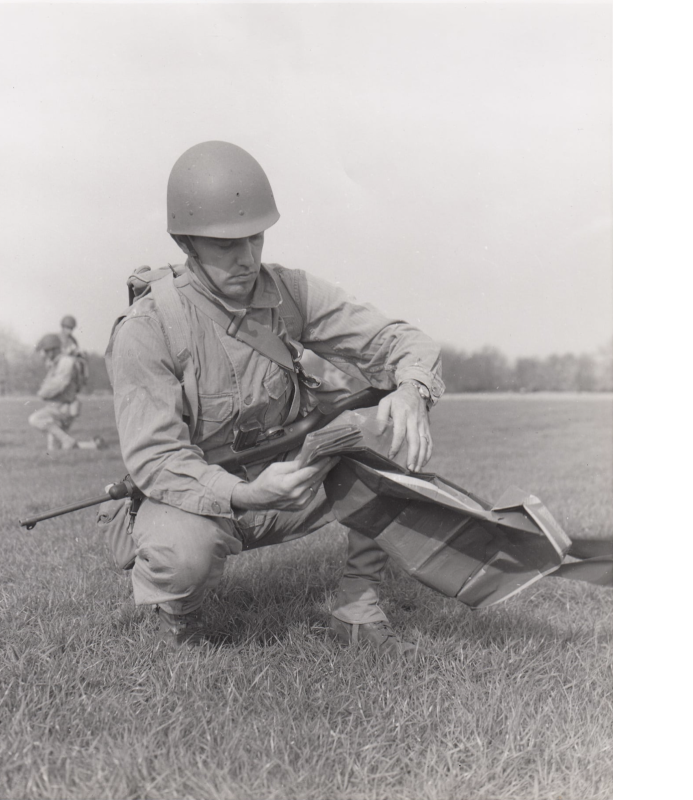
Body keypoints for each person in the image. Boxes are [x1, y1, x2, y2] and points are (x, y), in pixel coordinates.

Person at [107, 141, 444, 657]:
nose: (247, 259)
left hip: (292, 477)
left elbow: (400, 341)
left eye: (256, 238)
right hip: (201, 497)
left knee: (389, 430)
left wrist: (413, 390)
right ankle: (178, 617)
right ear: (186, 243)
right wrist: (246, 494)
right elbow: (157, 459)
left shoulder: (289, 293)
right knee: (182, 553)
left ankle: (357, 607)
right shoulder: (148, 329)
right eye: (225, 246)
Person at [28, 333, 103, 451]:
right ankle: (94, 446)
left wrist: (42, 393)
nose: (43, 355)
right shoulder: (57, 362)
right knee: (55, 448)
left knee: (35, 419)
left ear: (52, 350)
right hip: (60, 407)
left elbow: (59, 384)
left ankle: (68, 440)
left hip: (63, 408)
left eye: (45, 351)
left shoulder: (65, 362)